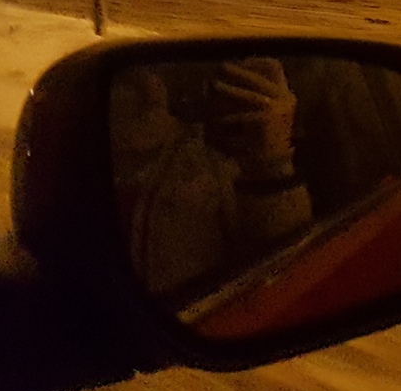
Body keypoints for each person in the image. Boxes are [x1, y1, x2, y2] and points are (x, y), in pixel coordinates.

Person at [110, 58, 314, 303]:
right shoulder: (74, 163)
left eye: (160, 74)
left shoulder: (213, 174)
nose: (152, 94)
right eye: (130, 82)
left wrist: (273, 163)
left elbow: (286, 278)